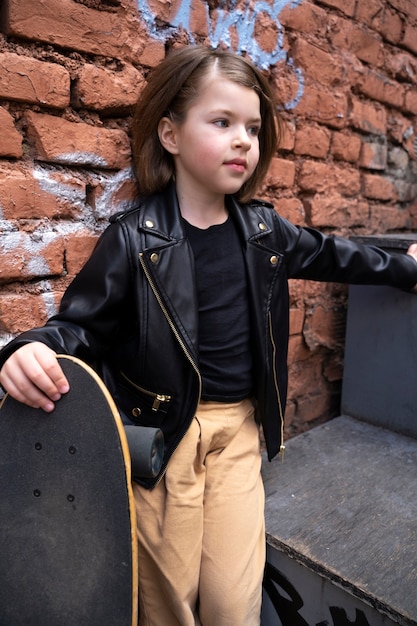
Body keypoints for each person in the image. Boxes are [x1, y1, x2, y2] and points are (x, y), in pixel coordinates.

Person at [1, 46, 417, 625]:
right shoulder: (135, 240)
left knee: (231, 602)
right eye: (222, 123)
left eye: (252, 127)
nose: (243, 140)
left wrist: (407, 266)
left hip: (239, 431)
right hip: (166, 437)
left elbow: (336, 256)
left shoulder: (264, 230)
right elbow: (79, 327)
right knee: (167, 601)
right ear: (170, 135)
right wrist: (27, 350)